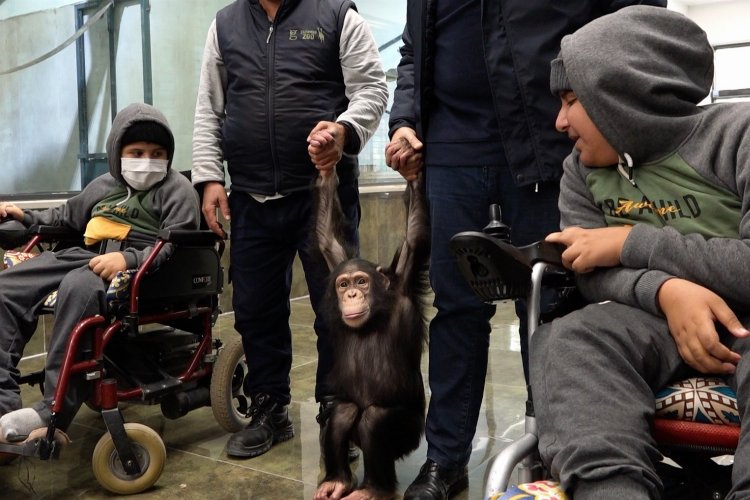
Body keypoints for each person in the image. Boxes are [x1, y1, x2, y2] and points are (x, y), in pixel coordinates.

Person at [384, 0, 665, 497]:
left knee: (551, 308)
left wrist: (610, 112)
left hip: (547, 143)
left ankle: (560, 450)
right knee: (455, 312)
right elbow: (414, 51)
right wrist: (404, 117)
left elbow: (634, 18)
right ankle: (444, 459)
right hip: (452, 155)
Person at [531, 5, 750, 498]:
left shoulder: (738, 135)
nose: (559, 121)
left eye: (571, 100)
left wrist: (631, 241)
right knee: (571, 337)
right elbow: (587, 268)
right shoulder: (581, 171)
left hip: (747, 322)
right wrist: (666, 291)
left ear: (621, 96)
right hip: (651, 322)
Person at [191, 0, 387, 459]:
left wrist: (343, 131)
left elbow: (372, 90)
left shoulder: (337, 14)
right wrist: (210, 177)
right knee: (256, 309)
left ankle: (338, 406)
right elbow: (209, 107)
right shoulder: (225, 24)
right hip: (251, 198)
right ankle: (269, 409)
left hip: (323, 194)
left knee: (338, 310)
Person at [0, 102, 200, 441]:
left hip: (131, 267)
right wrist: (25, 218)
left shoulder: (176, 187)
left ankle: (51, 411)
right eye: (136, 152)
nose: (146, 160)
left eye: (157, 152)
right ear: (117, 152)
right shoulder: (102, 185)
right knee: (6, 289)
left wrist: (131, 260)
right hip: (81, 254)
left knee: (78, 289)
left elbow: (175, 241)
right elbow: (65, 218)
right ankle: (3, 408)